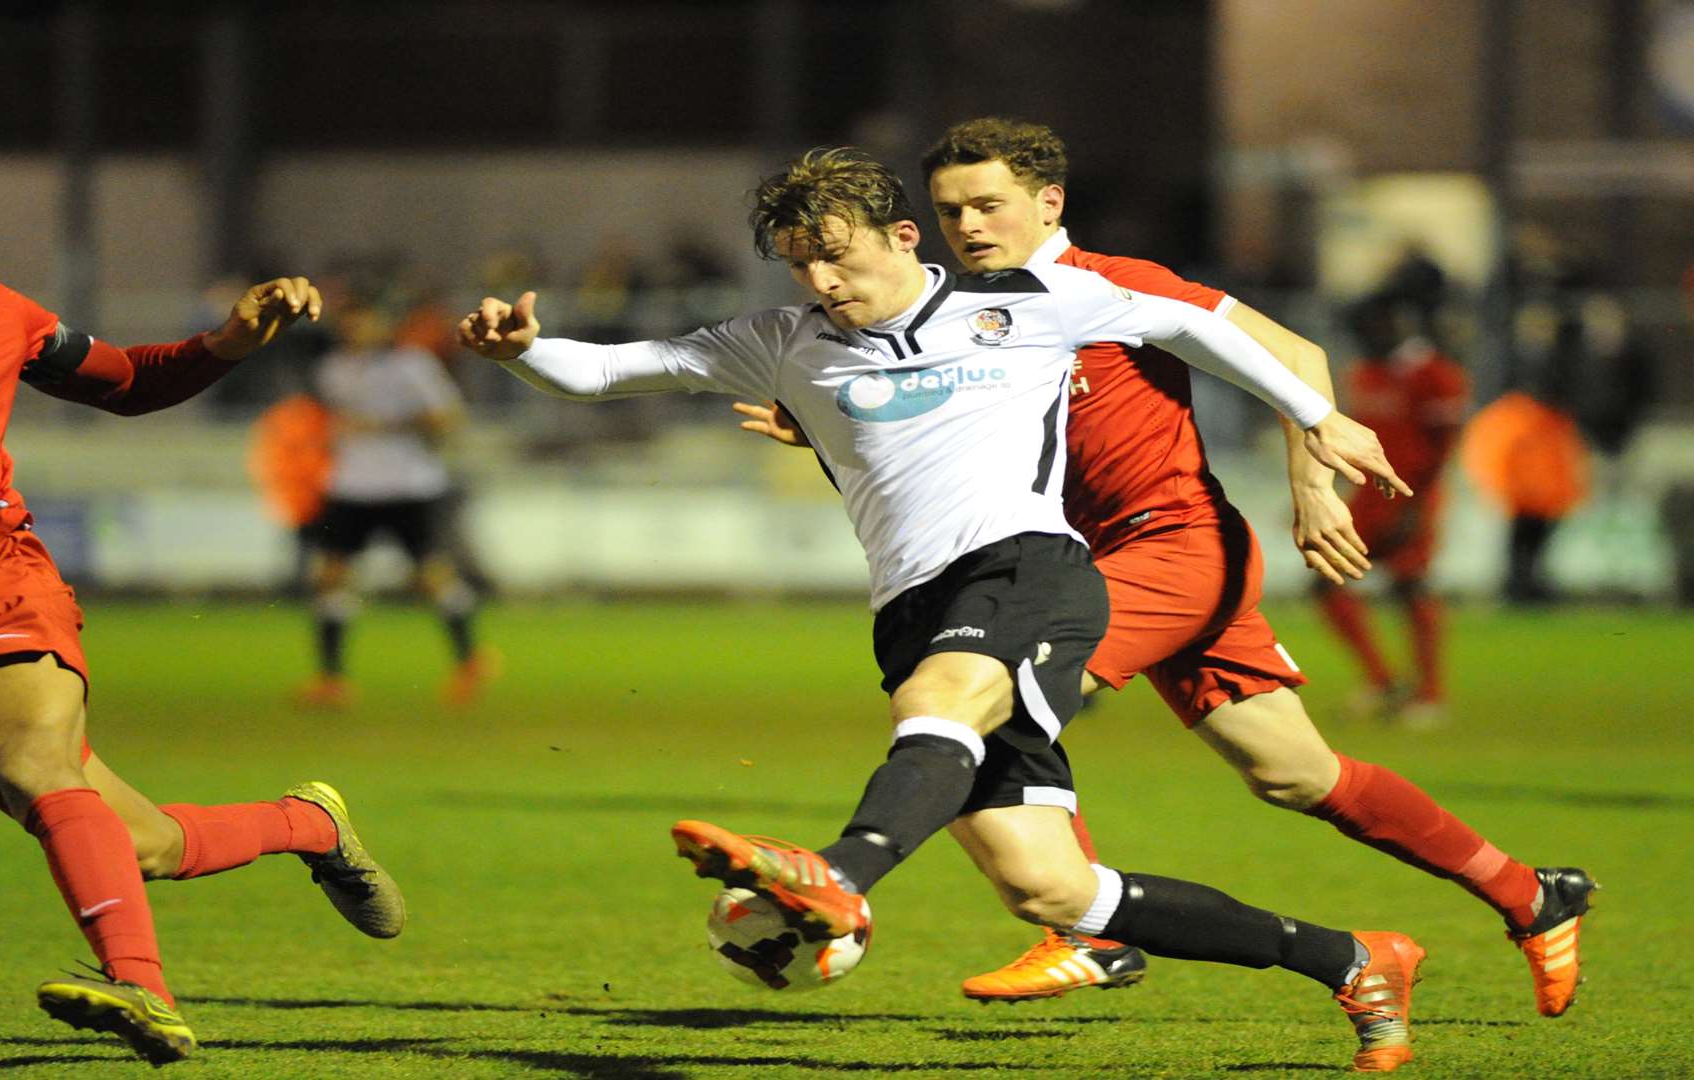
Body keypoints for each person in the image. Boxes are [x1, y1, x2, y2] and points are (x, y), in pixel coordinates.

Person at [463, 146, 1430, 1071]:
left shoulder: (1030, 303)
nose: (821, 282)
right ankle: (1353, 960)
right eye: (802, 265)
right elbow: (604, 370)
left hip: (1029, 568)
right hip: (910, 605)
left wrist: (1318, 416)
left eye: (836, 256)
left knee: (943, 694)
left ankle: (841, 873)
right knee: (1048, 886)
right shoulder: (780, 343)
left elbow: (1191, 327)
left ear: (900, 239)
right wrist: (522, 350)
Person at [733, 119, 1594, 1022]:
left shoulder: (1105, 286)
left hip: (1169, 547)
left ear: (1048, 203)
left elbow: (1298, 357)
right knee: (1296, 774)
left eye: (989, 204)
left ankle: (1087, 934)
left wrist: (1313, 488)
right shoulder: (954, 317)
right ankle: (1533, 895)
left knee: (986, 689)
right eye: (951, 210)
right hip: (1091, 563)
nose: (970, 225)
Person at [0, 135, 406, 1064]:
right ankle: (306, 825)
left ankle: (141, 989)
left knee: (34, 762)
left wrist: (226, 344)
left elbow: (124, 383)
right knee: (133, 842)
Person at [294, 292, 494, 708]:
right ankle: (331, 678)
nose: (354, 329)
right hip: (351, 485)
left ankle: (469, 659)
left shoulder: (412, 364)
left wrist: (383, 425)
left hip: (409, 484)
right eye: (348, 321)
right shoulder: (331, 369)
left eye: (363, 319)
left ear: (383, 323)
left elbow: (448, 418)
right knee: (330, 576)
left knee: (430, 578)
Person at [1315, 298, 1470, 728]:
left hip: (1412, 495)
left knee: (1411, 586)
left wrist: (1417, 508)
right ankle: (1383, 683)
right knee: (1326, 581)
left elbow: (1443, 448)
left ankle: (1430, 695)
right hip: (1367, 498)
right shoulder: (1365, 372)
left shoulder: (1436, 374)